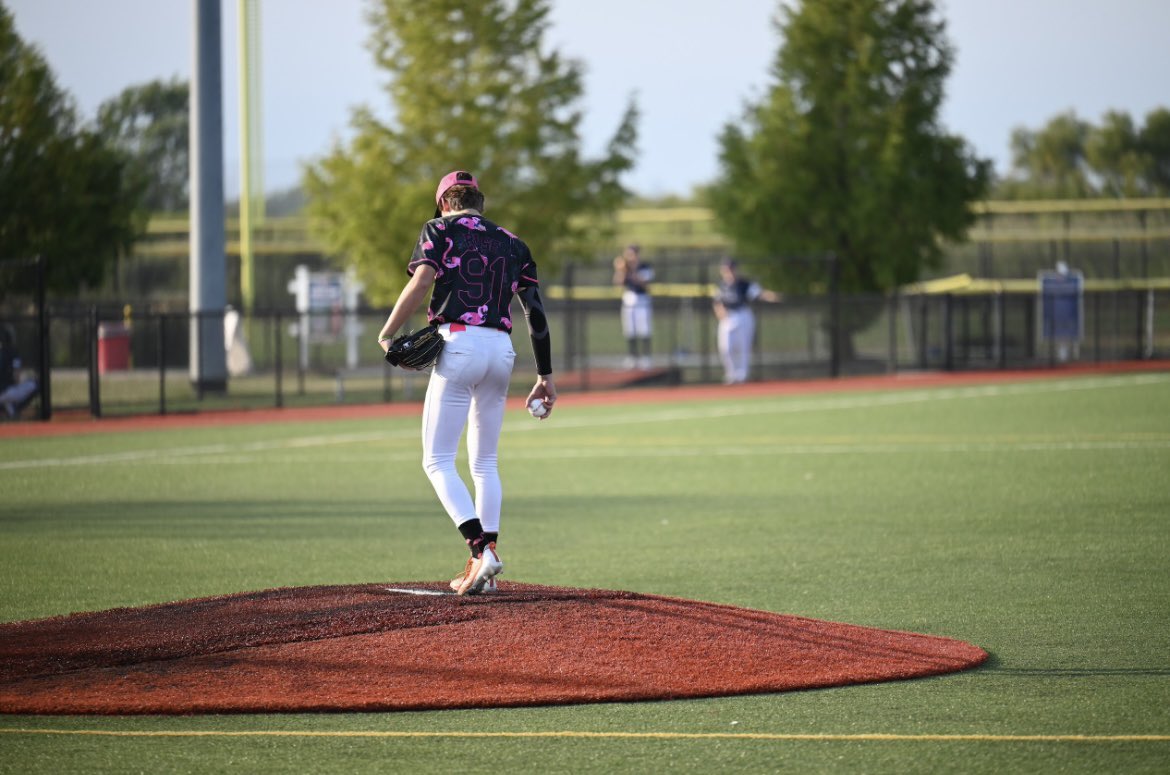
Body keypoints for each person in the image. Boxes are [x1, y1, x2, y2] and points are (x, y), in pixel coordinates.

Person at [377, 170, 557, 596]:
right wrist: (545, 376)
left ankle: (480, 552)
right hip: (502, 351)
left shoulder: (438, 228)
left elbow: (422, 281)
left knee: (437, 461)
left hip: (458, 344)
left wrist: (387, 332)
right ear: (481, 202)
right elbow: (534, 311)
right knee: (485, 464)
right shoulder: (514, 242)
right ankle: (485, 561)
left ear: (443, 203)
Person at [712, 257, 780, 385]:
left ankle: (742, 376)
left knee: (743, 347)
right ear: (722, 271)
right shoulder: (721, 285)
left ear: (735, 270)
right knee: (725, 348)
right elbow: (717, 303)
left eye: (731, 269)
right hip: (727, 318)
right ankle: (731, 375)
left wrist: (773, 296)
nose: (729, 272)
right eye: (726, 269)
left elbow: (759, 293)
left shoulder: (744, 284)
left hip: (742, 315)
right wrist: (720, 313)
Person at [613, 244, 653, 369]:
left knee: (644, 328)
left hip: (642, 298)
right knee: (630, 329)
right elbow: (618, 283)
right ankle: (632, 357)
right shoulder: (625, 268)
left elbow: (644, 283)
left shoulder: (644, 266)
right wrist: (620, 269)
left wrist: (632, 270)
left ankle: (646, 358)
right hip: (629, 298)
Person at [0, 324, 37, 420]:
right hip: (7, 392)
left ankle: (11, 412)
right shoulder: (14, 352)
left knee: (7, 400)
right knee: (36, 384)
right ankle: (16, 408)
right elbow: (16, 376)